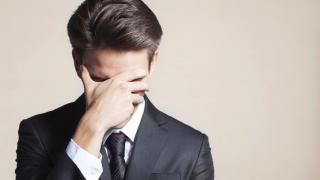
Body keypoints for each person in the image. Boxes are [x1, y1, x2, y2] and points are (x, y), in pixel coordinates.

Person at [15, 0, 214, 179]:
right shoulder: (38, 134)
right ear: (77, 63)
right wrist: (91, 128)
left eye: (131, 80)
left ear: (152, 63)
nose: (116, 94)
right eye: (102, 80)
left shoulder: (191, 147)